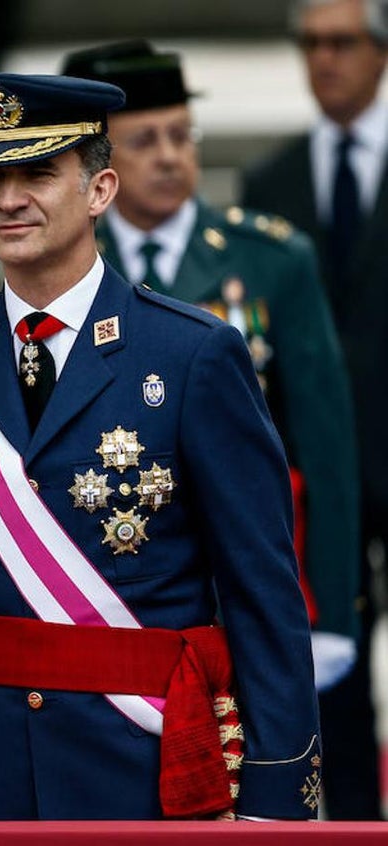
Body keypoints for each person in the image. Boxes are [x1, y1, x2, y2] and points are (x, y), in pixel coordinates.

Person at [0, 72, 321, 821]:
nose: (8, 199)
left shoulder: (193, 354)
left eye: (38, 173)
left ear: (101, 190)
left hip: (140, 765)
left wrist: (276, 799)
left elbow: (261, 591)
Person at [61, 40, 361, 697]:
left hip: (247, 575)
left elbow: (326, 448)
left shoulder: (271, 261)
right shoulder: (67, 263)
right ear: (95, 167)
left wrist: (335, 612)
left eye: (181, 134)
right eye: (143, 141)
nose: (170, 156)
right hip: (111, 584)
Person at [241, 0, 387, 820]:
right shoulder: (272, 181)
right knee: (336, 673)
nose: (324, 59)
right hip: (320, 468)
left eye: (342, 43)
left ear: (381, 53)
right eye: (311, 44)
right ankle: (362, 826)